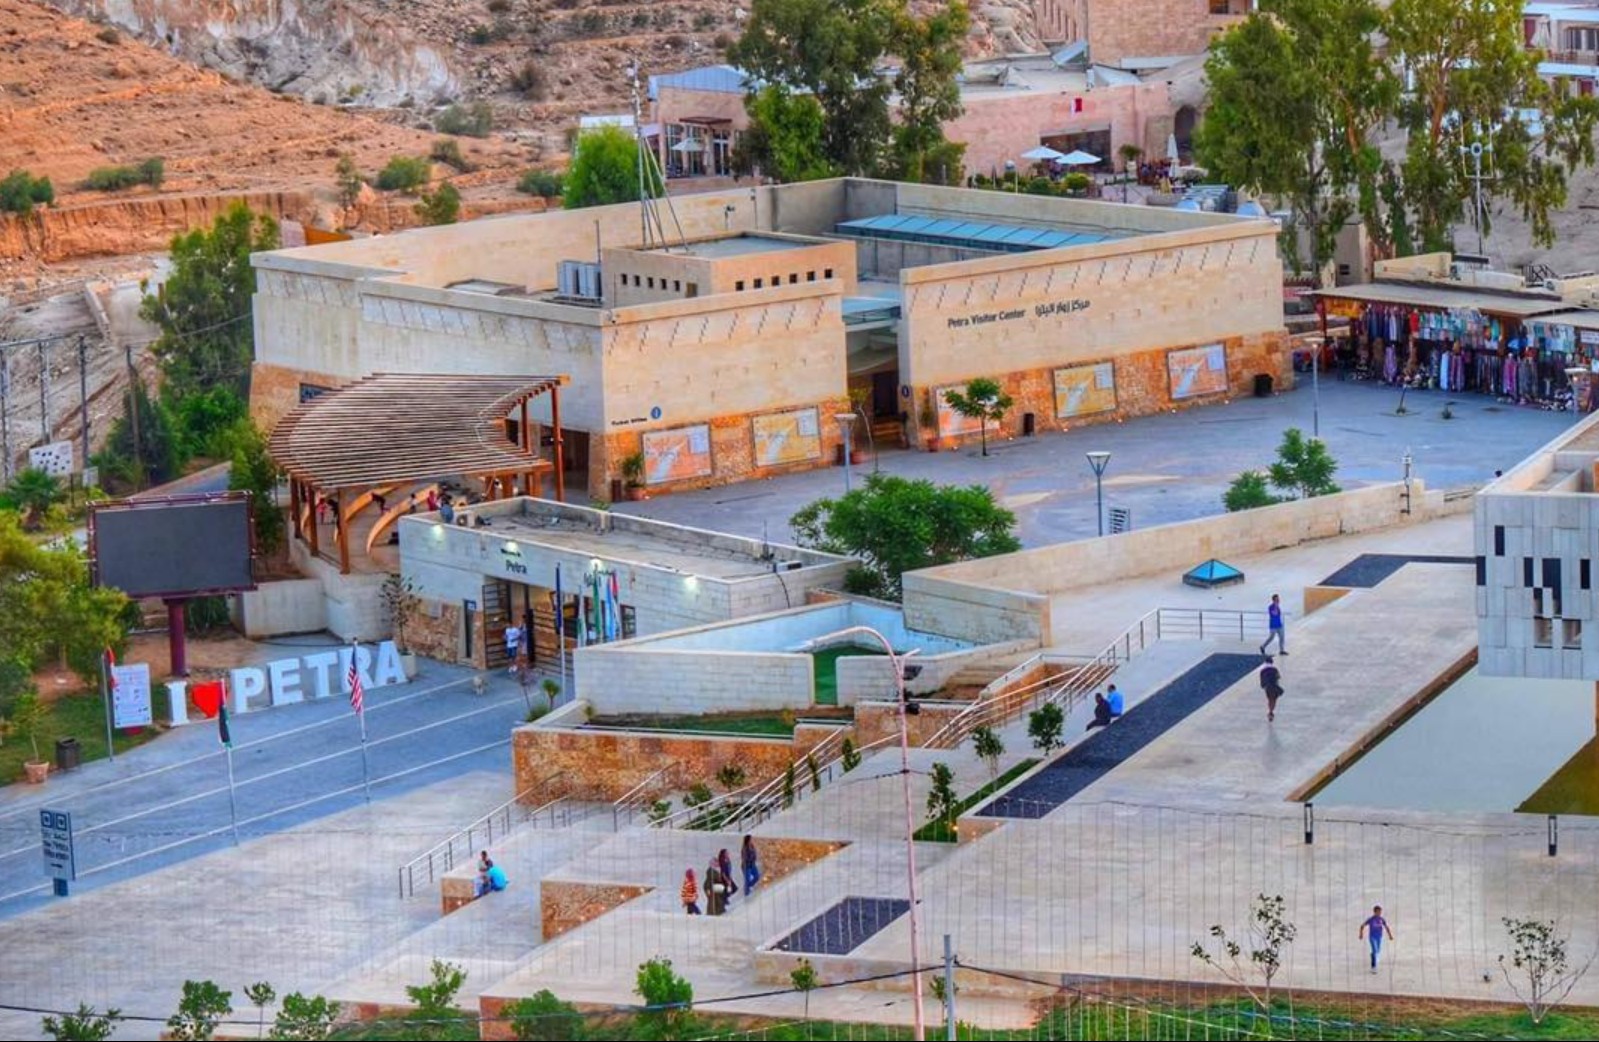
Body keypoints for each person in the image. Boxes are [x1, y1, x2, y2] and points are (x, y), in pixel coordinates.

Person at [1360, 905, 1394, 973]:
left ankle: (1373, 956)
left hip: (1379, 937)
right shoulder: (1371, 919)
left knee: (1377, 951)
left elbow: (1386, 927)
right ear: (1375, 912)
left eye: (1380, 912)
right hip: (1372, 937)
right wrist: (1361, 934)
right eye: (1378, 912)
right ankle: (1373, 967)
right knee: (1375, 950)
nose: (1379, 913)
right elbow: (1362, 926)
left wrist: (1390, 935)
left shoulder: (1381, 919)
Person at [1260, 656, 1283, 722]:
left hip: (1268, 687)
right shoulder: (1274, 669)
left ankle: (1270, 712)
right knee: (1274, 699)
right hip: (1274, 686)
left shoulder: (1263, 670)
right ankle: (1271, 711)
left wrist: (1263, 686)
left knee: (1270, 699)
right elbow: (1278, 677)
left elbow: (1262, 680)